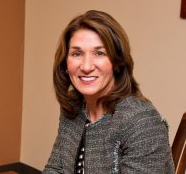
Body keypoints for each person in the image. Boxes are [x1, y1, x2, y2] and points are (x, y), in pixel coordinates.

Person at [43, 10, 174, 173]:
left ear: (117, 62)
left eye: (99, 53)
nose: (86, 66)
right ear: (65, 64)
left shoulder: (142, 123)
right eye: (77, 53)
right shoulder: (72, 106)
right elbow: (56, 168)